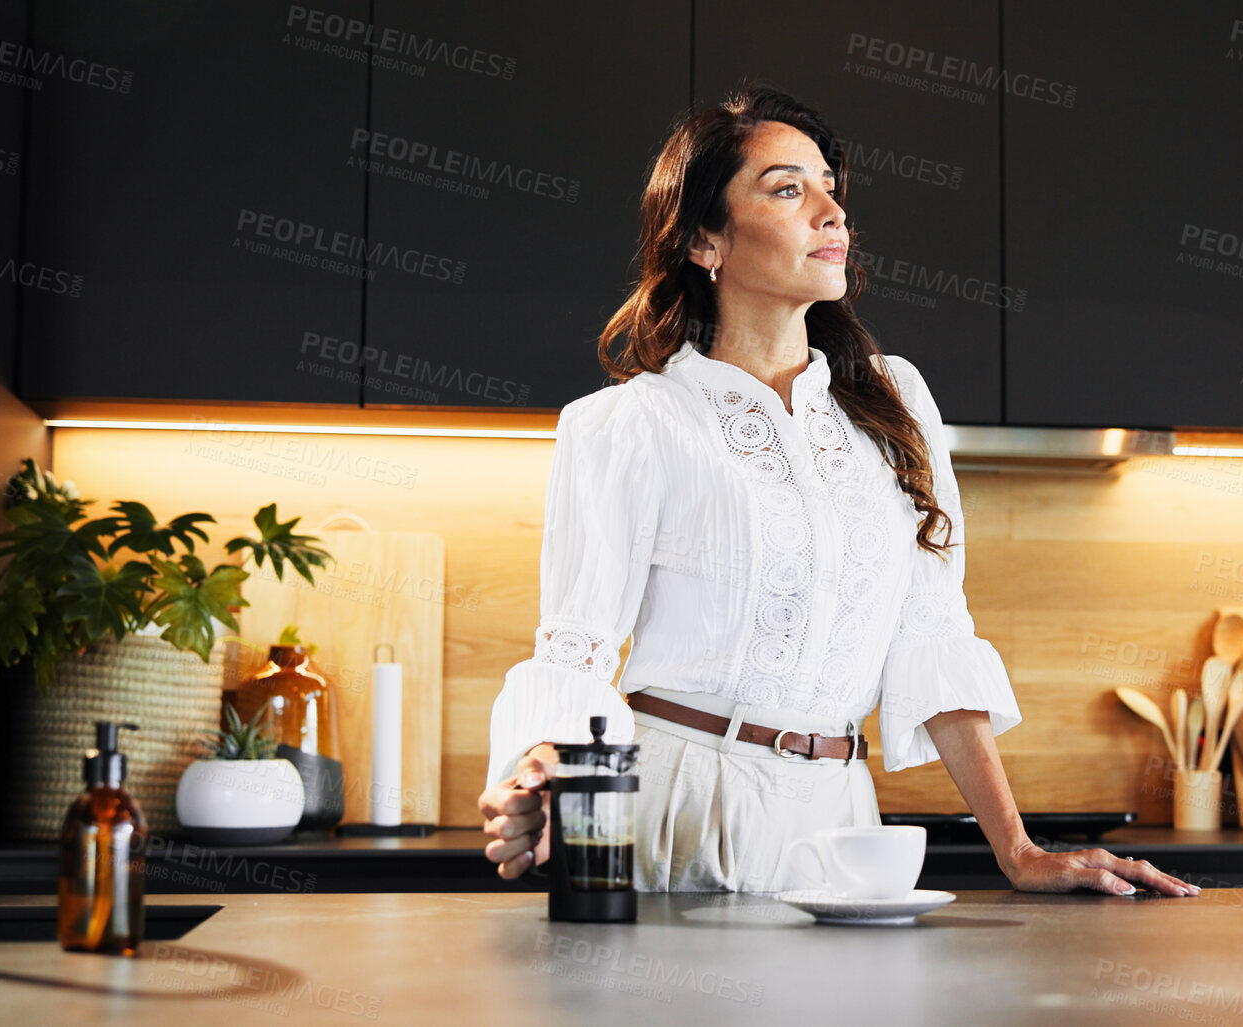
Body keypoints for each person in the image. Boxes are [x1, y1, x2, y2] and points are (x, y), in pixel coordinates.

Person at [477, 83, 1195, 899]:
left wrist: (1019, 851)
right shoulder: (628, 423)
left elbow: (932, 636)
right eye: (787, 189)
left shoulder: (895, 401)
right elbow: (576, 647)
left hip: (844, 814)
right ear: (706, 240)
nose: (831, 213)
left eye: (831, 188)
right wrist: (540, 766)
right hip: (680, 800)